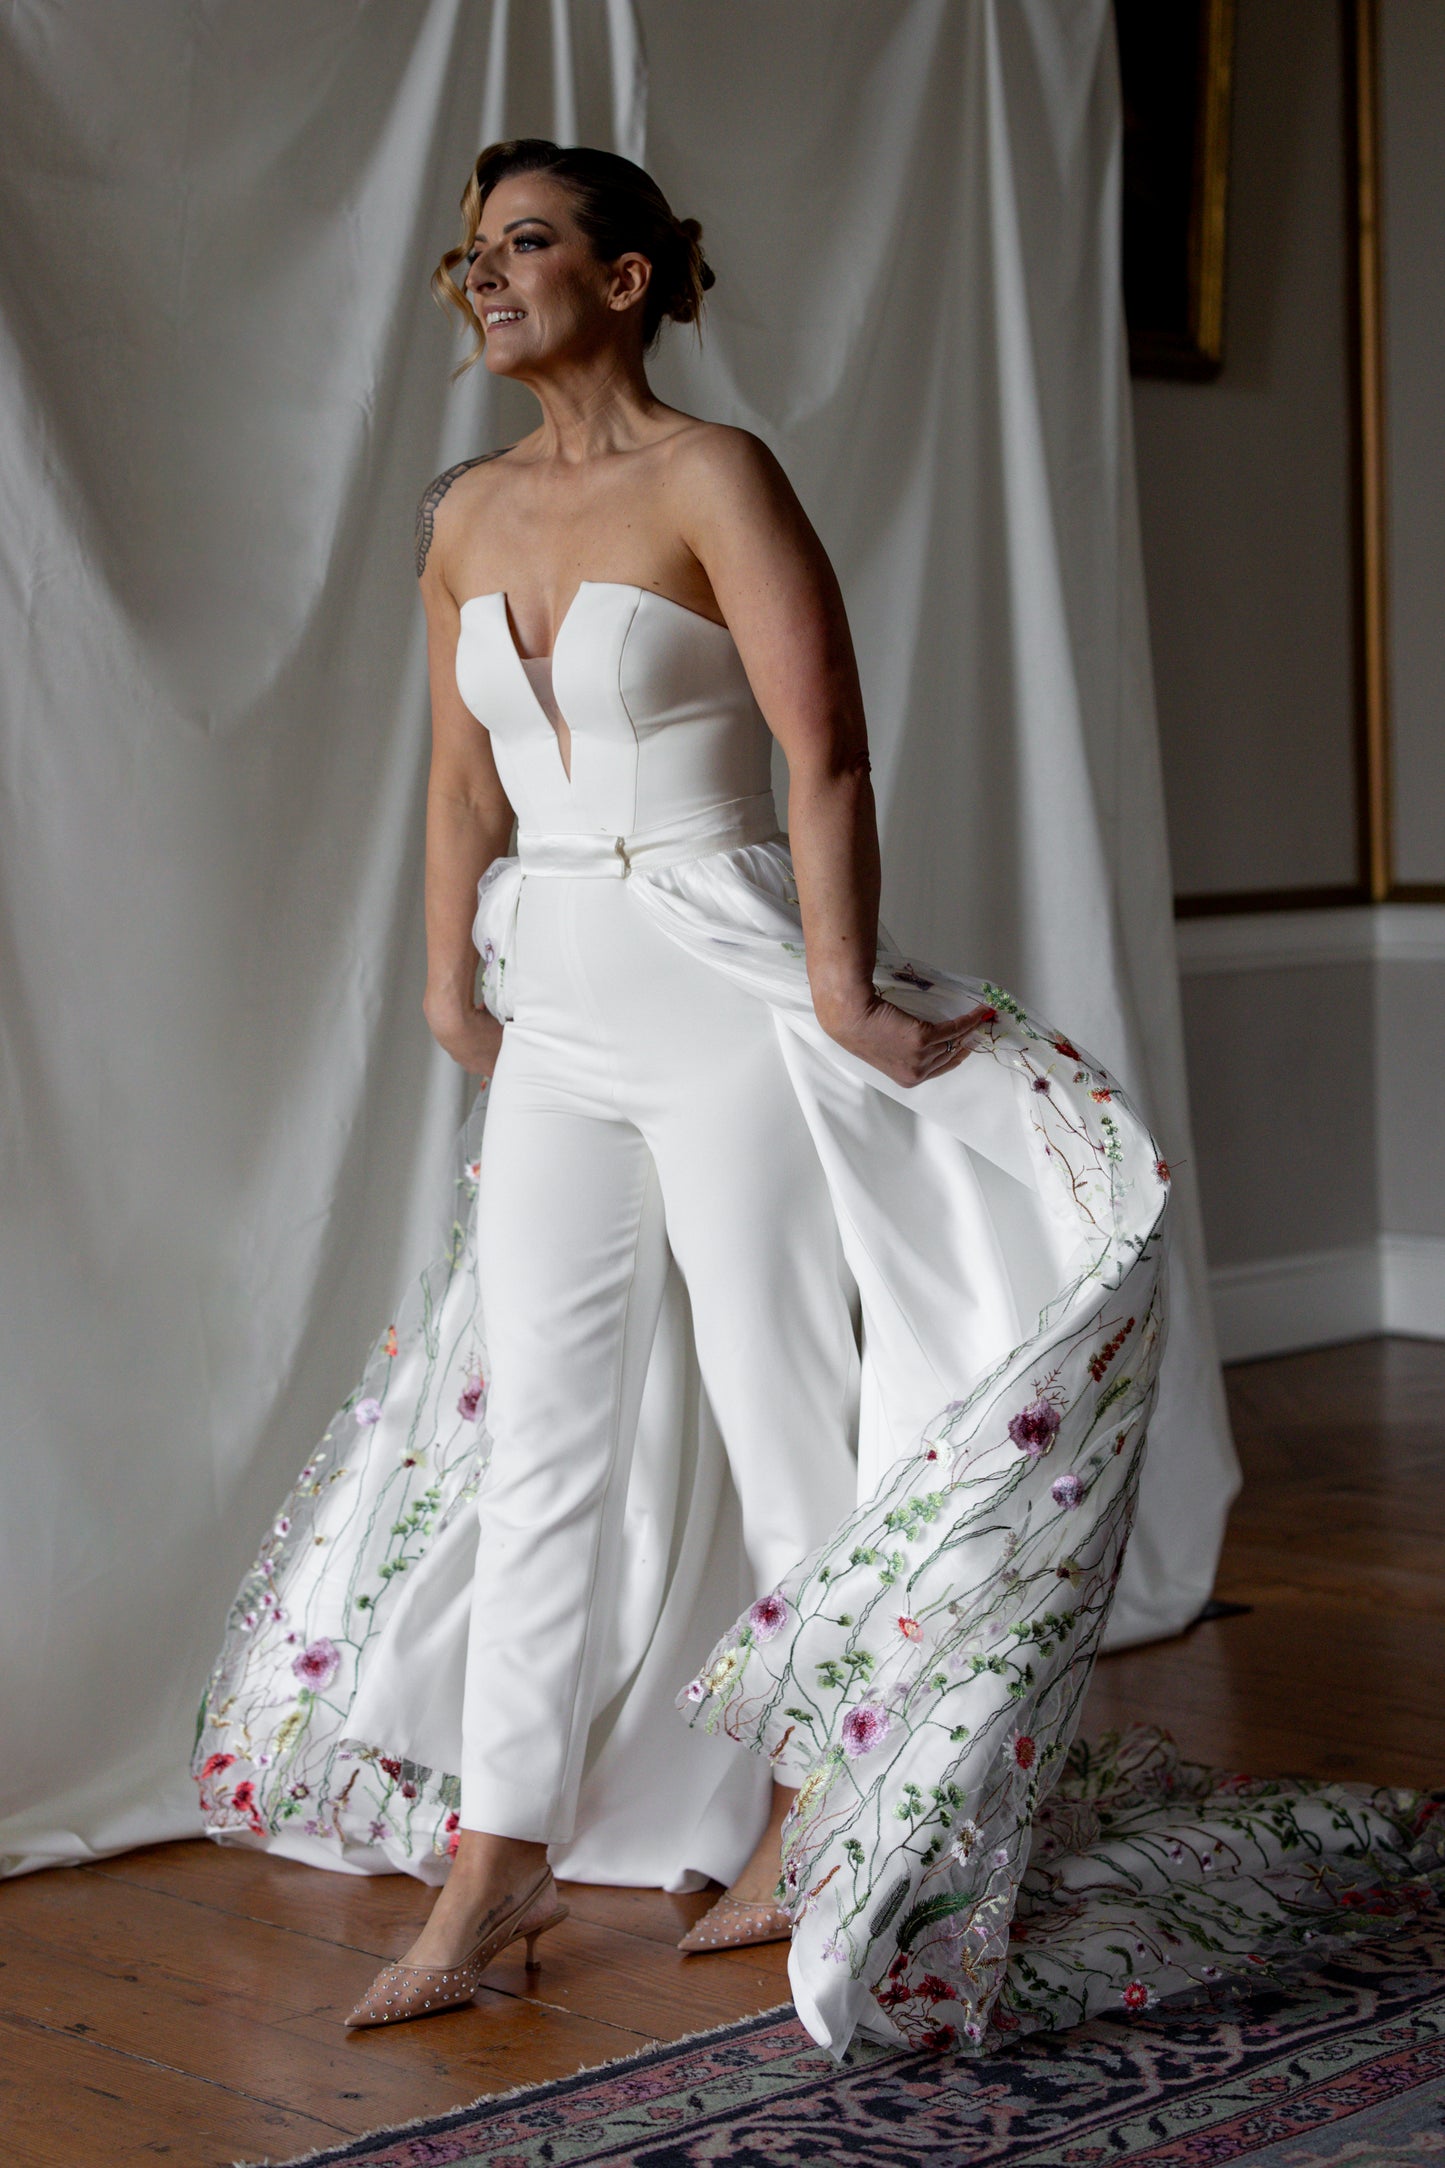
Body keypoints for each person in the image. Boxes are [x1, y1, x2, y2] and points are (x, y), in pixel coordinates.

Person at [198, 142, 1423, 2064]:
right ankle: (495, 1863)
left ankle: (813, 1808)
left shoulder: (716, 477)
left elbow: (823, 742)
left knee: (780, 1406)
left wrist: (839, 989)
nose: (482, 277)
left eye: (526, 244)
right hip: (553, 1002)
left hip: (718, 981)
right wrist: (446, 982)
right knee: (540, 1436)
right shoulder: (465, 511)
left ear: (624, 278)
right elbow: (459, 784)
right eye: (470, 253)